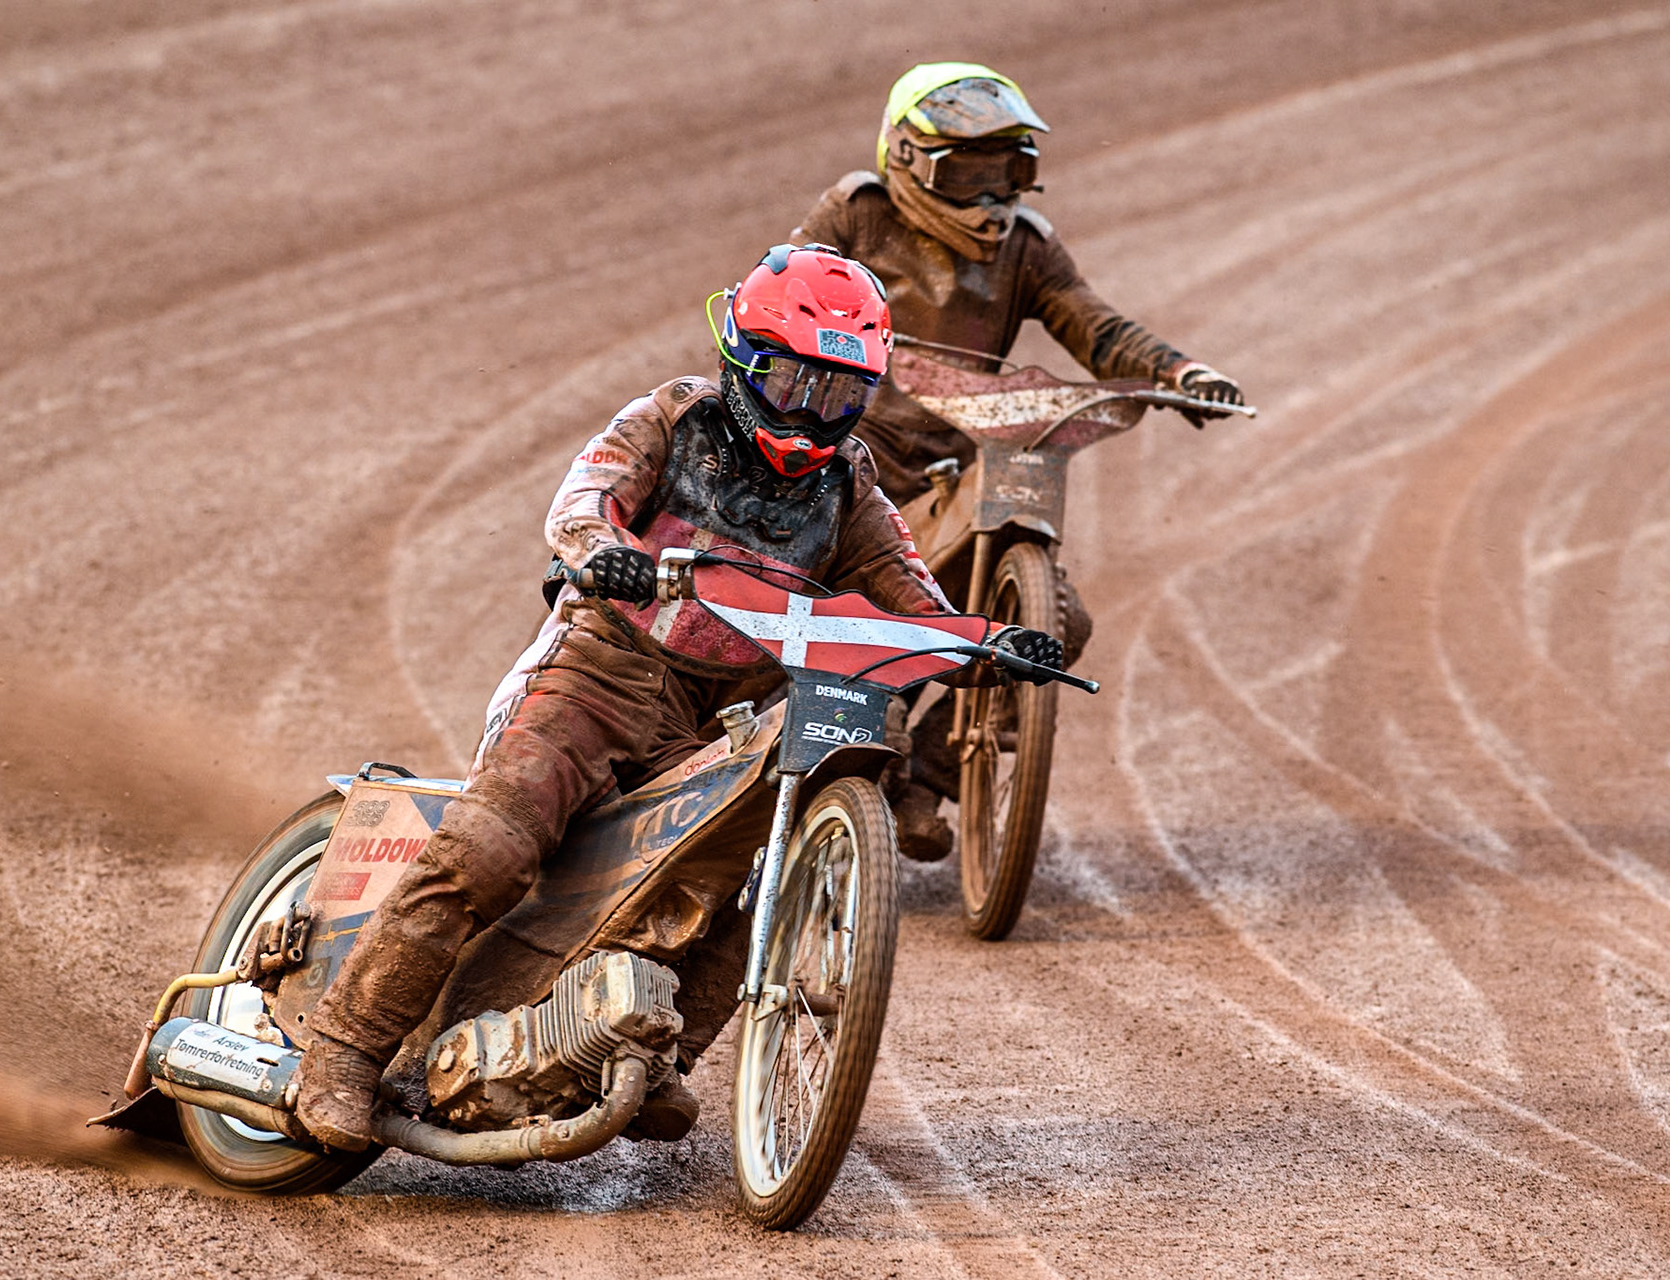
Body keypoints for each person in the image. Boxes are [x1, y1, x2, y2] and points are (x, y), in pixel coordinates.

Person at [292, 244, 1064, 1152]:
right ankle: (340, 1056)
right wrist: (597, 550)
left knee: (744, 880)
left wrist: (986, 647)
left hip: (715, 723)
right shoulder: (673, 416)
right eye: (791, 383)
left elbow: (906, 593)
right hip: (598, 672)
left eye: (840, 395)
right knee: (491, 849)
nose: (813, 413)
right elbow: (580, 501)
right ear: (739, 358)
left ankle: (658, 1058)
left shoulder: (849, 481)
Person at [790, 61, 1246, 861]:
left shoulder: (1026, 249)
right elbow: (781, 291)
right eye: (963, 172)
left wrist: (1180, 372)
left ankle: (931, 773)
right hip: (836, 459)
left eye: (1007, 173)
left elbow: (1095, 325)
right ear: (906, 160)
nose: (988, 199)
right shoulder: (858, 214)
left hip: (953, 474)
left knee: (1058, 623)